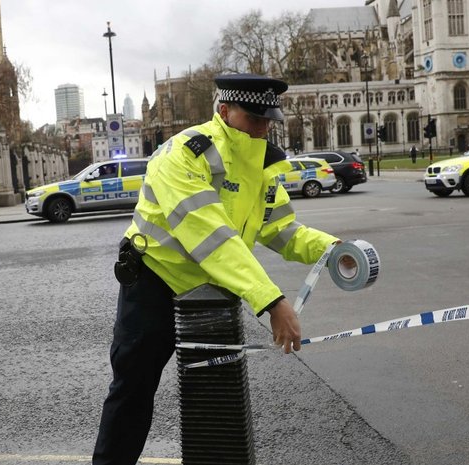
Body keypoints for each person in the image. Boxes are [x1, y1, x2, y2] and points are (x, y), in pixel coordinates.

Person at [92, 73, 351, 465]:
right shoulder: (185, 153)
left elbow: (282, 230)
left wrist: (332, 249)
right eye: (254, 118)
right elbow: (211, 236)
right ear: (224, 110)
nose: (264, 128)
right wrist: (272, 301)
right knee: (133, 393)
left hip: (210, 298)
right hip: (154, 286)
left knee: (214, 403)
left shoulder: (262, 165)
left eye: (269, 120)